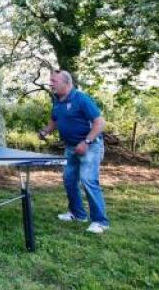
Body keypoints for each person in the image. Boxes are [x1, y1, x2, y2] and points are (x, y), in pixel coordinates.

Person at [38, 70, 109, 234]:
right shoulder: (57, 100)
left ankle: (100, 221)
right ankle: (78, 214)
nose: (51, 84)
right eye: (51, 81)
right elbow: (54, 120)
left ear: (67, 83)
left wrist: (86, 142)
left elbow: (100, 123)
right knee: (69, 180)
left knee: (88, 180)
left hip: (89, 146)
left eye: (54, 81)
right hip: (71, 147)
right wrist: (45, 131)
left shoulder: (81, 99)